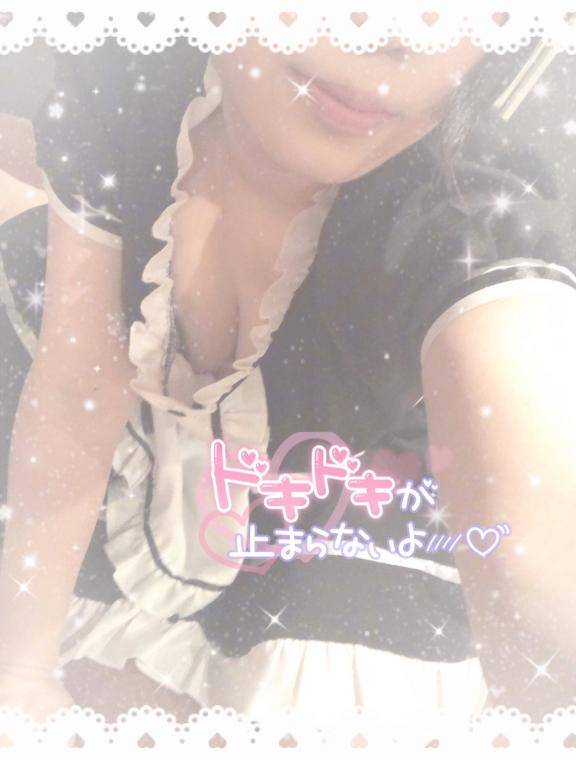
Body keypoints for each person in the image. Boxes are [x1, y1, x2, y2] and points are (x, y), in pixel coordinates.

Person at [1, 30, 576, 728]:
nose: (396, 34)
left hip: (336, 516)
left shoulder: (472, 224)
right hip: (116, 464)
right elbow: (76, 384)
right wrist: (21, 672)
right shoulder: (121, 79)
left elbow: (541, 561)